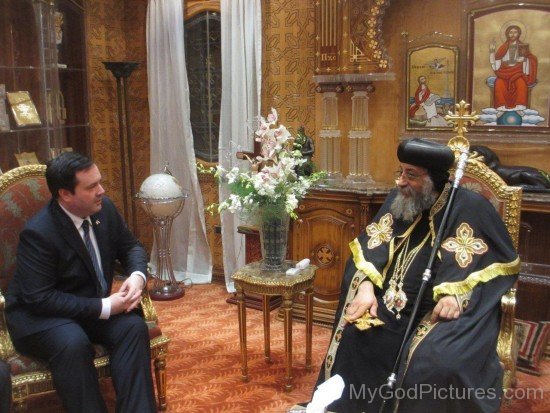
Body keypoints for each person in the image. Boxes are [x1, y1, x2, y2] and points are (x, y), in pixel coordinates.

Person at [314, 138, 519, 412]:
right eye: (400, 172)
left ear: (434, 179)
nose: (400, 181)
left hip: (441, 312)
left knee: (437, 363)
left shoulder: (471, 207)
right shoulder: (399, 200)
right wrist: (365, 287)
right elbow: (369, 247)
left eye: (411, 175)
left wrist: (459, 294)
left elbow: (500, 265)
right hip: (392, 300)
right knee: (356, 335)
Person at [5, 152, 156, 413]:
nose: (102, 190)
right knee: (72, 341)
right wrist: (105, 307)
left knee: (132, 327)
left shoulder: (104, 209)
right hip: (40, 317)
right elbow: (40, 299)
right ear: (65, 194)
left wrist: (136, 276)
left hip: (89, 307)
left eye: (99, 182)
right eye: (91, 187)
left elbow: (131, 247)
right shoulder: (40, 233)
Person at [489, 25, 538, 111]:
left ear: (519, 34)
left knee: (521, 83)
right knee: (499, 83)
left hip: (518, 73)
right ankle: (501, 107)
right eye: (510, 32)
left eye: (515, 32)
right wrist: (492, 52)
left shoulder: (523, 46)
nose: (513, 34)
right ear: (507, 34)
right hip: (504, 73)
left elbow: (532, 59)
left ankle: (519, 107)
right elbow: (496, 63)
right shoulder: (503, 47)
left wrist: (525, 60)